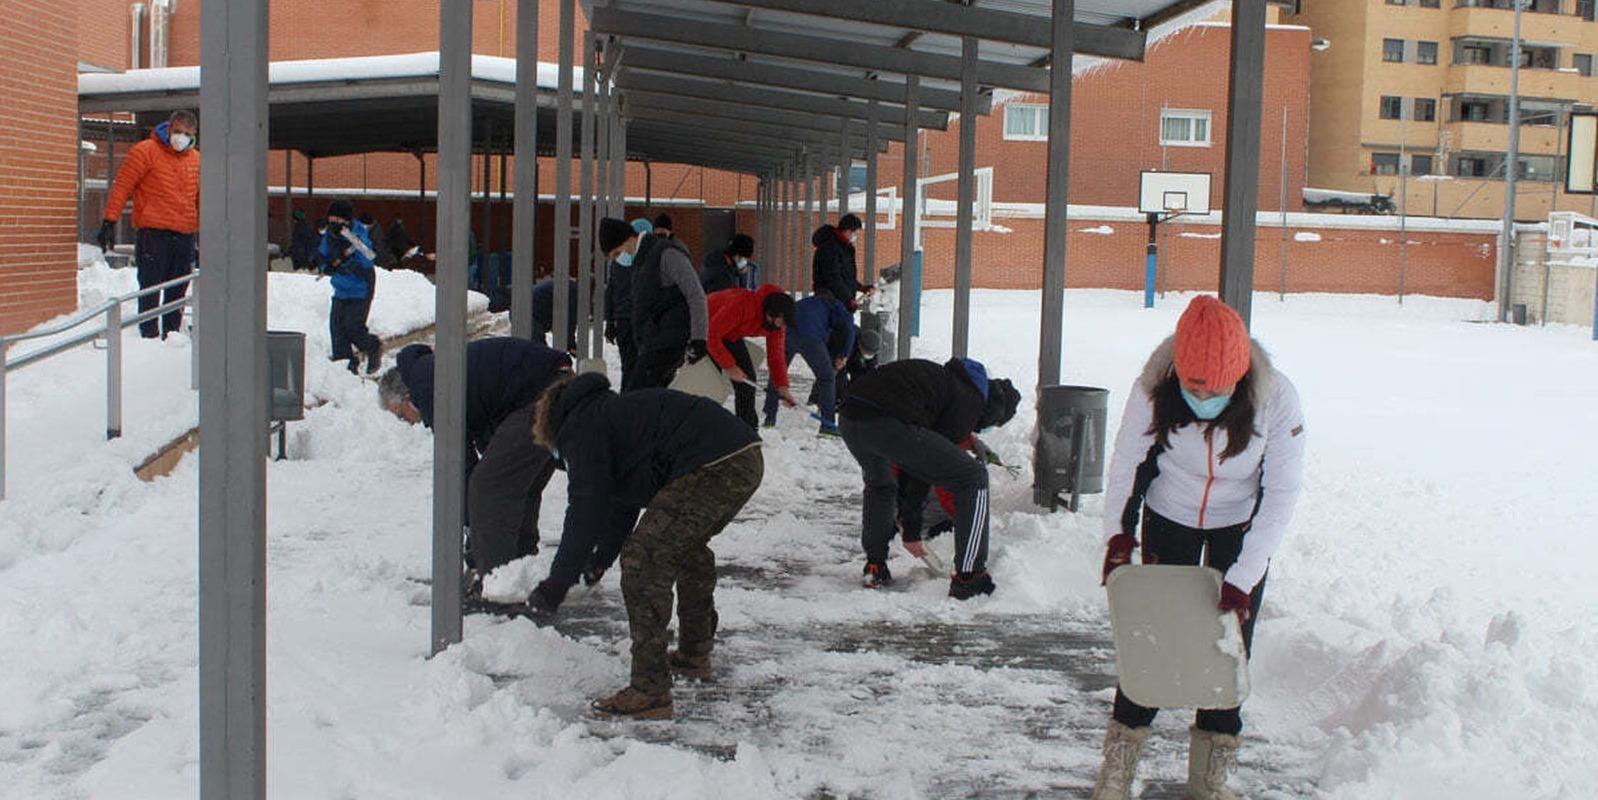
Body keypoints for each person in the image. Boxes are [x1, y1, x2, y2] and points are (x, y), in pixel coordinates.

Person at [1090, 295, 1306, 800]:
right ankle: (1119, 767)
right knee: (1156, 637)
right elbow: (1126, 462)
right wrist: (1118, 535)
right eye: (1192, 388)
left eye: (1217, 390)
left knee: (1228, 648)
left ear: (1240, 377)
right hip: (1172, 514)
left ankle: (1210, 779)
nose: (1203, 398)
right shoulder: (1154, 385)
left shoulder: (1277, 398)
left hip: (1238, 524)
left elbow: (1282, 493)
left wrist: (1243, 576)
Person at [528, 372, 764, 720]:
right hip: (740, 455)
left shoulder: (582, 428)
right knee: (683, 546)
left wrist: (558, 581)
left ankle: (649, 690)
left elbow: (585, 504)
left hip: (713, 463)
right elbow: (622, 502)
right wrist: (599, 560)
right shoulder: (609, 416)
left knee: (644, 560)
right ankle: (694, 654)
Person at [380, 338, 573, 589]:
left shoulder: (428, 389)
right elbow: (483, 431)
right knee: (518, 482)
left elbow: (461, 464)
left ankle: (497, 584)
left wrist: (473, 526)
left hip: (542, 396)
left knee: (488, 487)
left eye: (399, 414)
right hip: (553, 385)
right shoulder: (430, 374)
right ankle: (519, 562)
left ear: (406, 399)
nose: (407, 422)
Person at [837, 357, 1020, 596]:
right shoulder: (970, 401)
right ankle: (970, 577)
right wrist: (912, 529)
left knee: (881, 485)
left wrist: (907, 516)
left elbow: (916, 454)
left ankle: (875, 565)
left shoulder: (950, 382)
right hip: (884, 420)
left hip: (851, 418)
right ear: (994, 412)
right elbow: (922, 470)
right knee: (973, 478)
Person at [97, 110, 200, 339]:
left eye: (186, 133)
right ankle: (148, 336)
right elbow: (123, 185)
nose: (180, 137)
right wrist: (109, 220)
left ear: (193, 136)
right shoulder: (145, 151)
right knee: (151, 288)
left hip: (184, 234)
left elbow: (201, 199)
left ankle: (172, 336)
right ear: (168, 128)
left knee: (178, 290)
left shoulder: (196, 160)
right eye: (177, 131)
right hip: (153, 233)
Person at [599, 217, 708, 391]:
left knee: (636, 395)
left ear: (627, 239)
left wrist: (699, 338)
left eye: (617, 253)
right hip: (655, 341)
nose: (618, 259)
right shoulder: (642, 260)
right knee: (652, 397)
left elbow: (695, 293)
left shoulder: (666, 254)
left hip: (669, 339)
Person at [762, 293, 855, 436]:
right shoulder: (837, 307)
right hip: (811, 337)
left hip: (787, 333)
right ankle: (828, 426)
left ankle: (769, 417)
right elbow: (849, 327)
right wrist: (844, 355)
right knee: (827, 378)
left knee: (777, 370)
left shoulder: (810, 302)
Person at [706, 285, 798, 429]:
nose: (783, 328)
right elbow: (711, 334)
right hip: (702, 321)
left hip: (729, 334)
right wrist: (729, 366)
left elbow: (776, 357)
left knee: (747, 382)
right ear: (771, 314)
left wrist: (782, 387)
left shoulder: (776, 327)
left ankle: (747, 432)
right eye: (782, 322)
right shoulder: (742, 304)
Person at [318, 199, 383, 374]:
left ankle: (372, 346)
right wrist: (327, 266)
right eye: (332, 219)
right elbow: (323, 256)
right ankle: (345, 369)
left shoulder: (358, 234)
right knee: (337, 329)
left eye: (338, 220)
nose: (334, 224)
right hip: (341, 289)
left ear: (347, 221)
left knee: (353, 327)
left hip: (361, 288)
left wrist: (349, 238)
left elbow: (368, 257)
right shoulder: (329, 237)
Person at [604, 218, 652, 391]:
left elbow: (610, 291)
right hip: (641, 320)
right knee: (643, 367)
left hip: (622, 320)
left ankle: (626, 399)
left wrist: (609, 320)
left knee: (628, 366)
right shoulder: (644, 260)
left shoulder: (617, 263)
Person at [811, 213, 872, 312]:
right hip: (830, 300)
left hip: (841, 300)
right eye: (855, 233)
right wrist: (847, 299)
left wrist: (861, 288)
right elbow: (833, 277)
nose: (855, 236)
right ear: (848, 230)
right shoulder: (829, 247)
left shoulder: (846, 248)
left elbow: (846, 276)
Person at [530, 278, 581, 352]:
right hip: (529, 315)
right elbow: (568, 322)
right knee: (540, 352)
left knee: (539, 352)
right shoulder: (573, 293)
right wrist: (570, 344)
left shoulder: (569, 287)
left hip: (529, 312)